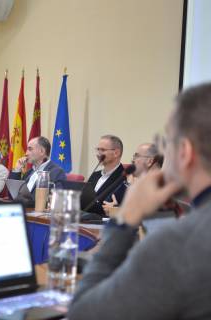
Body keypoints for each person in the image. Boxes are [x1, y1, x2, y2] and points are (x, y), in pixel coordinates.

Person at [68, 82, 211, 319]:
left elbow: (83, 313)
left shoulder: (177, 243)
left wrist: (124, 220)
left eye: (168, 141)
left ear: (185, 152)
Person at [102, 143, 162, 214]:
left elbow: (146, 215)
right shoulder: (134, 183)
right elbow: (106, 204)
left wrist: (118, 208)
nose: (133, 160)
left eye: (137, 156)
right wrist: (127, 185)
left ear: (150, 161)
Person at [9, 136, 66, 204]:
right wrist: (17, 170)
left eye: (30, 149)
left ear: (42, 151)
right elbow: (12, 195)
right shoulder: (28, 173)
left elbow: (55, 200)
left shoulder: (56, 172)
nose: (26, 153)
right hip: (21, 209)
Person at [84, 134, 126, 215]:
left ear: (116, 153)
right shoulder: (95, 175)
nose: (98, 154)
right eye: (98, 149)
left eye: (102, 150)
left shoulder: (124, 178)